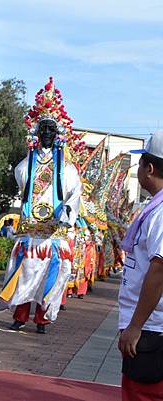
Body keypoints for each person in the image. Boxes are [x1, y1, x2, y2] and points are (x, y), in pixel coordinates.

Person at [0, 78, 81, 335]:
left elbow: (73, 192)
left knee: (49, 275)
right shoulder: (29, 163)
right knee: (24, 272)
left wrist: (67, 213)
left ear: (57, 136)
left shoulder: (65, 169)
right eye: (42, 129)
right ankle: (20, 315)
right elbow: (20, 176)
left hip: (52, 231)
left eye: (50, 130)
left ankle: (42, 319)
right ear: (36, 133)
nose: (46, 134)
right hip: (30, 230)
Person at [118, 131, 163, 401]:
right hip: (151, 324)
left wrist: (135, 325)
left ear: (149, 168)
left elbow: (159, 270)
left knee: (144, 395)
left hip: (153, 328)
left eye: (139, 164)